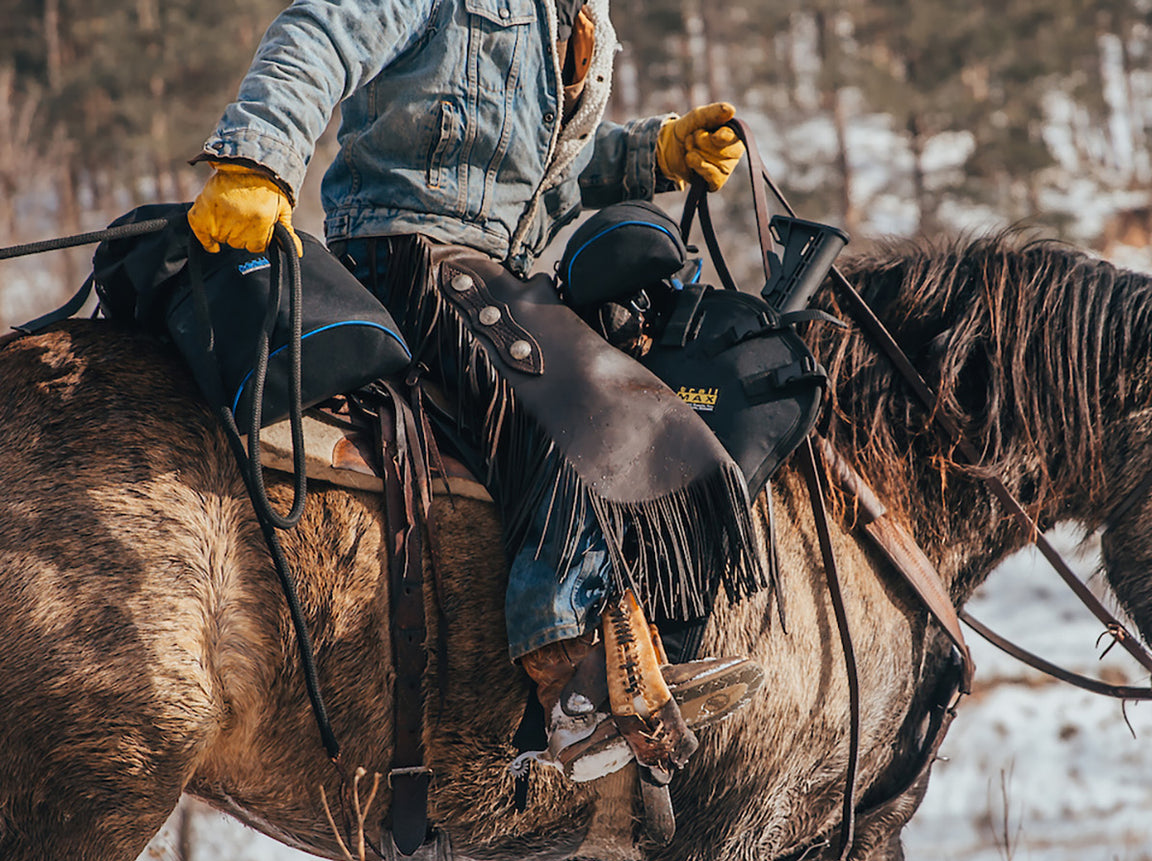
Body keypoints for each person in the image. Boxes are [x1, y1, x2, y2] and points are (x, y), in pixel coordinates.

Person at [186, 0, 761, 782]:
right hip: (409, 253)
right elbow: (322, 30)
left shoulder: (576, 17)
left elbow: (537, 173)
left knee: (645, 404)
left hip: (496, 265)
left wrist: (650, 154)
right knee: (607, 422)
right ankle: (575, 684)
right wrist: (258, 158)